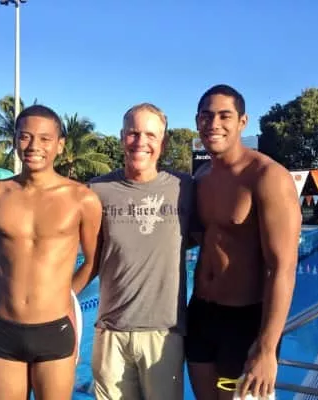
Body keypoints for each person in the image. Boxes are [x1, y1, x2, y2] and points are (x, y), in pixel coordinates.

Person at [0, 104, 102, 400]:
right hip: (4, 328)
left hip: (55, 328)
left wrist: (64, 296)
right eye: (25, 136)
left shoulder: (82, 199)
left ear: (60, 144)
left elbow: (94, 262)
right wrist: (4, 296)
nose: (33, 146)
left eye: (44, 139)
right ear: (15, 139)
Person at [185, 85, 301, 400]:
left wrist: (266, 347)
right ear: (197, 121)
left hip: (245, 321)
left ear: (242, 122)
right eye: (206, 116)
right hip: (201, 314)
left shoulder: (267, 177)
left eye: (225, 116)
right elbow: (195, 239)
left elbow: (283, 268)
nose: (214, 124)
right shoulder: (201, 178)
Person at [72, 103, 195, 400]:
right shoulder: (97, 190)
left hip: (163, 333)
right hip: (110, 331)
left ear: (163, 142)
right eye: (133, 133)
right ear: (121, 137)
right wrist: (61, 299)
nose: (141, 142)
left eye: (151, 135)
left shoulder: (184, 187)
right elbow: (91, 257)